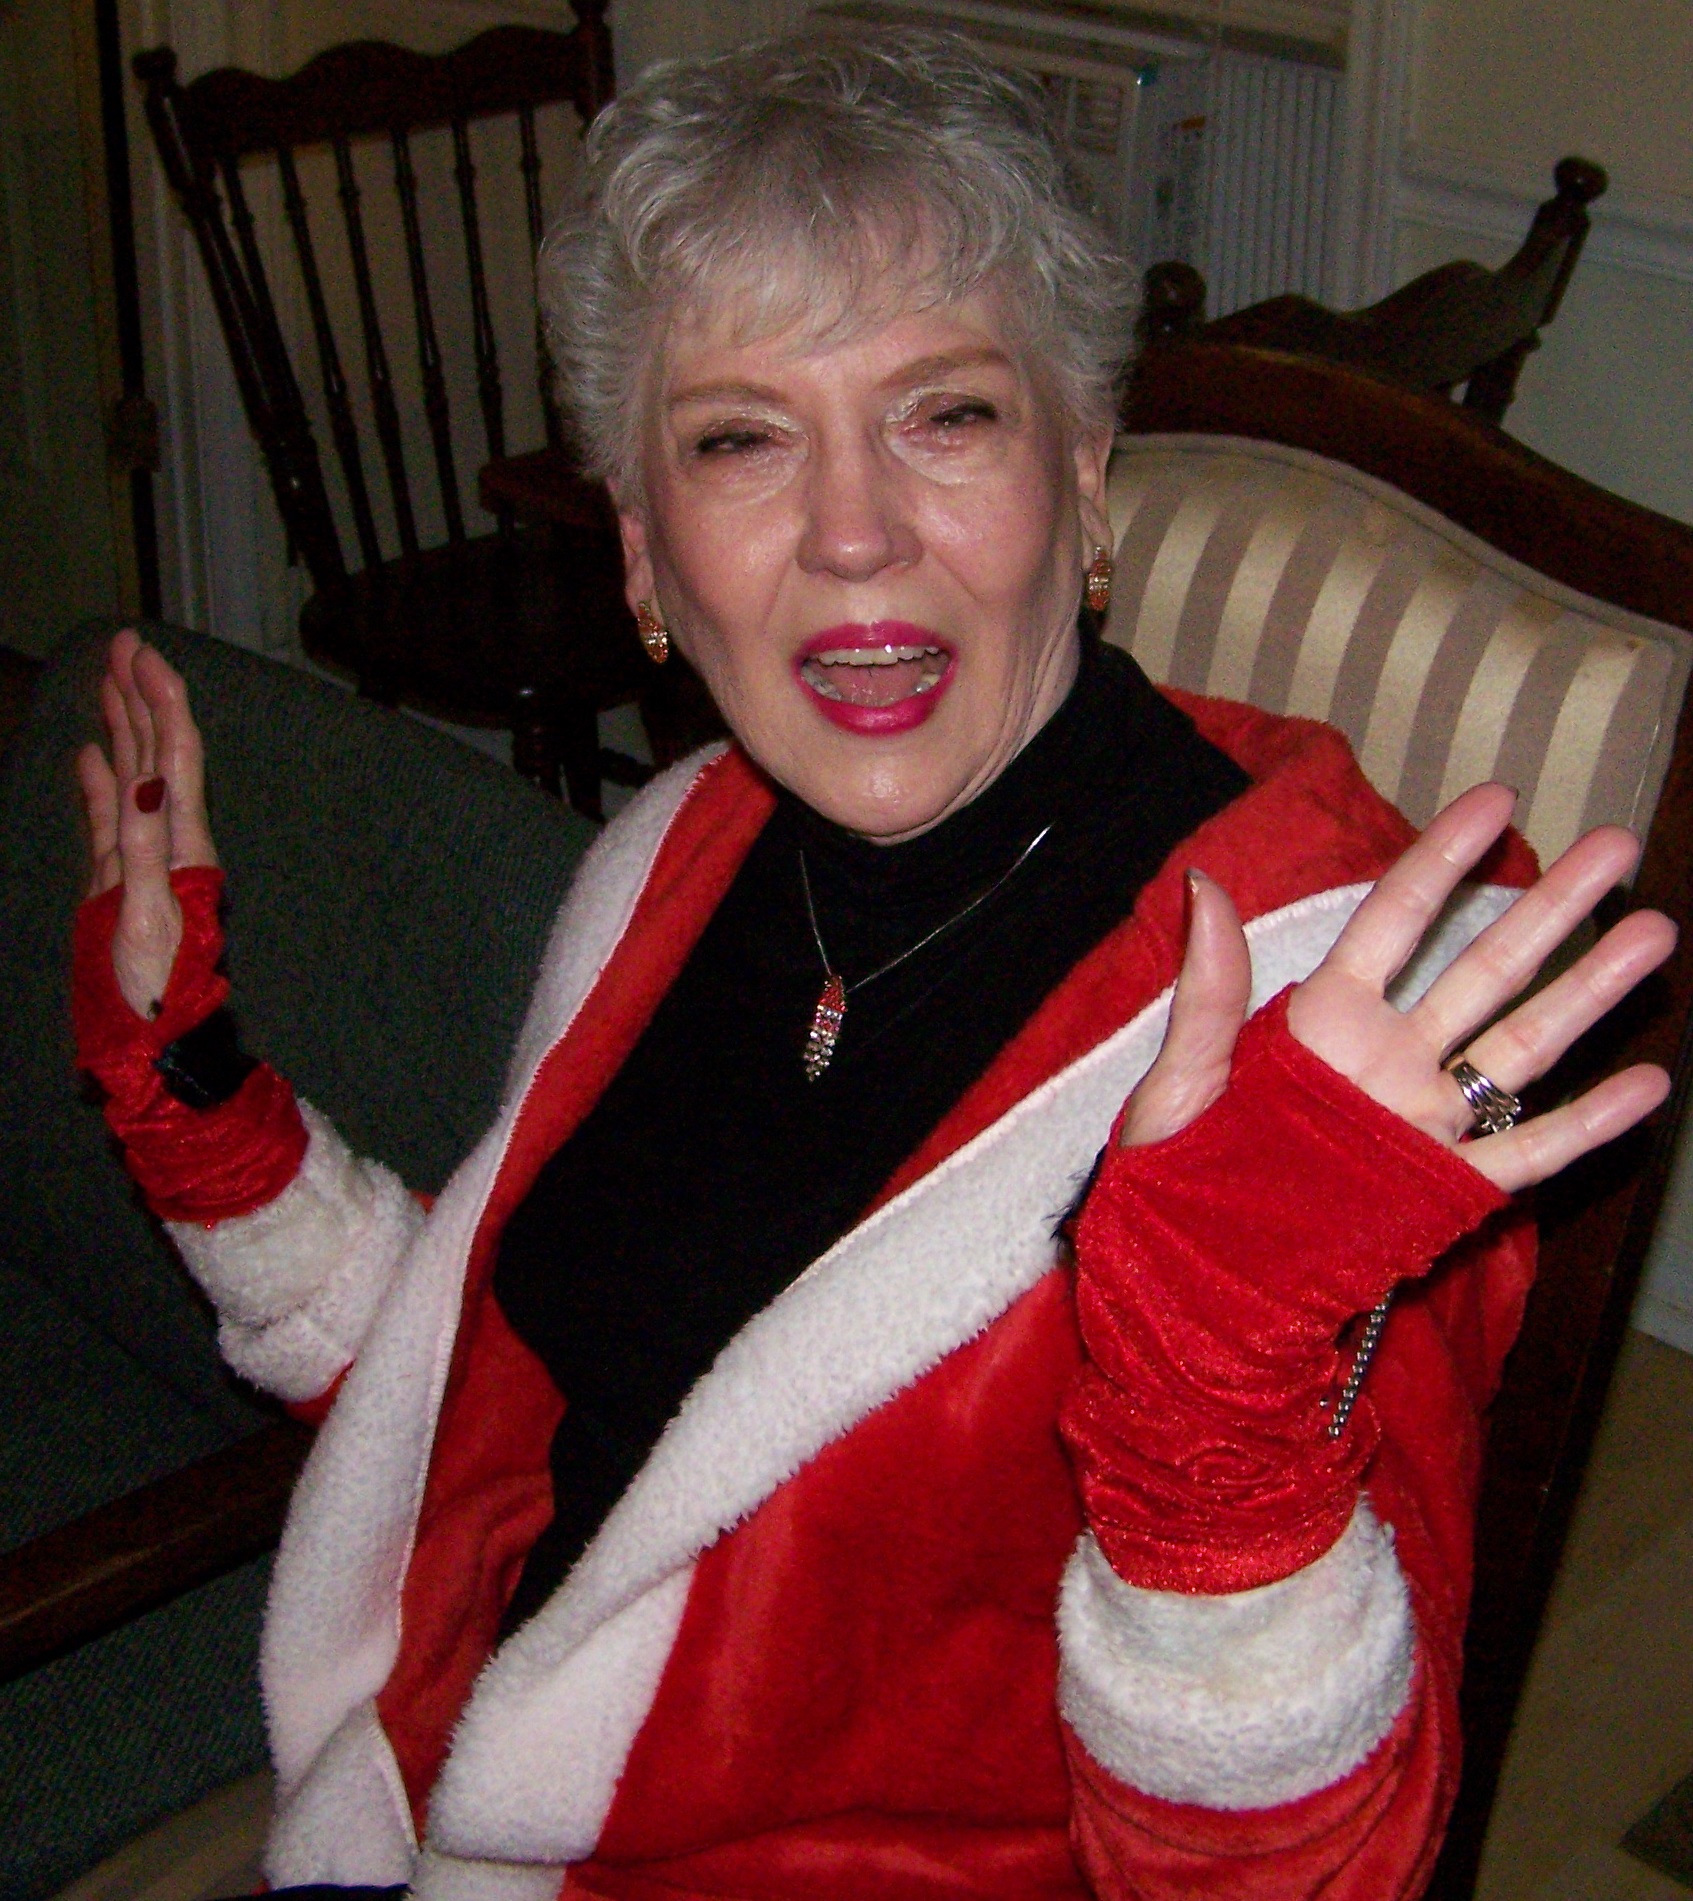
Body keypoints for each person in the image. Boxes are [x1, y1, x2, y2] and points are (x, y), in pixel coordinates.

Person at [71, 30, 1673, 1901]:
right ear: (644, 559)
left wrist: (1210, 1426)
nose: (852, 536)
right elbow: (527, 1403)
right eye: (738, 439)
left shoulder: (1336, 1024)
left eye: (945, 415)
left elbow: (1304, 1873)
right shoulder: (681, 853)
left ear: (1084, 482)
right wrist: (198, 1104)